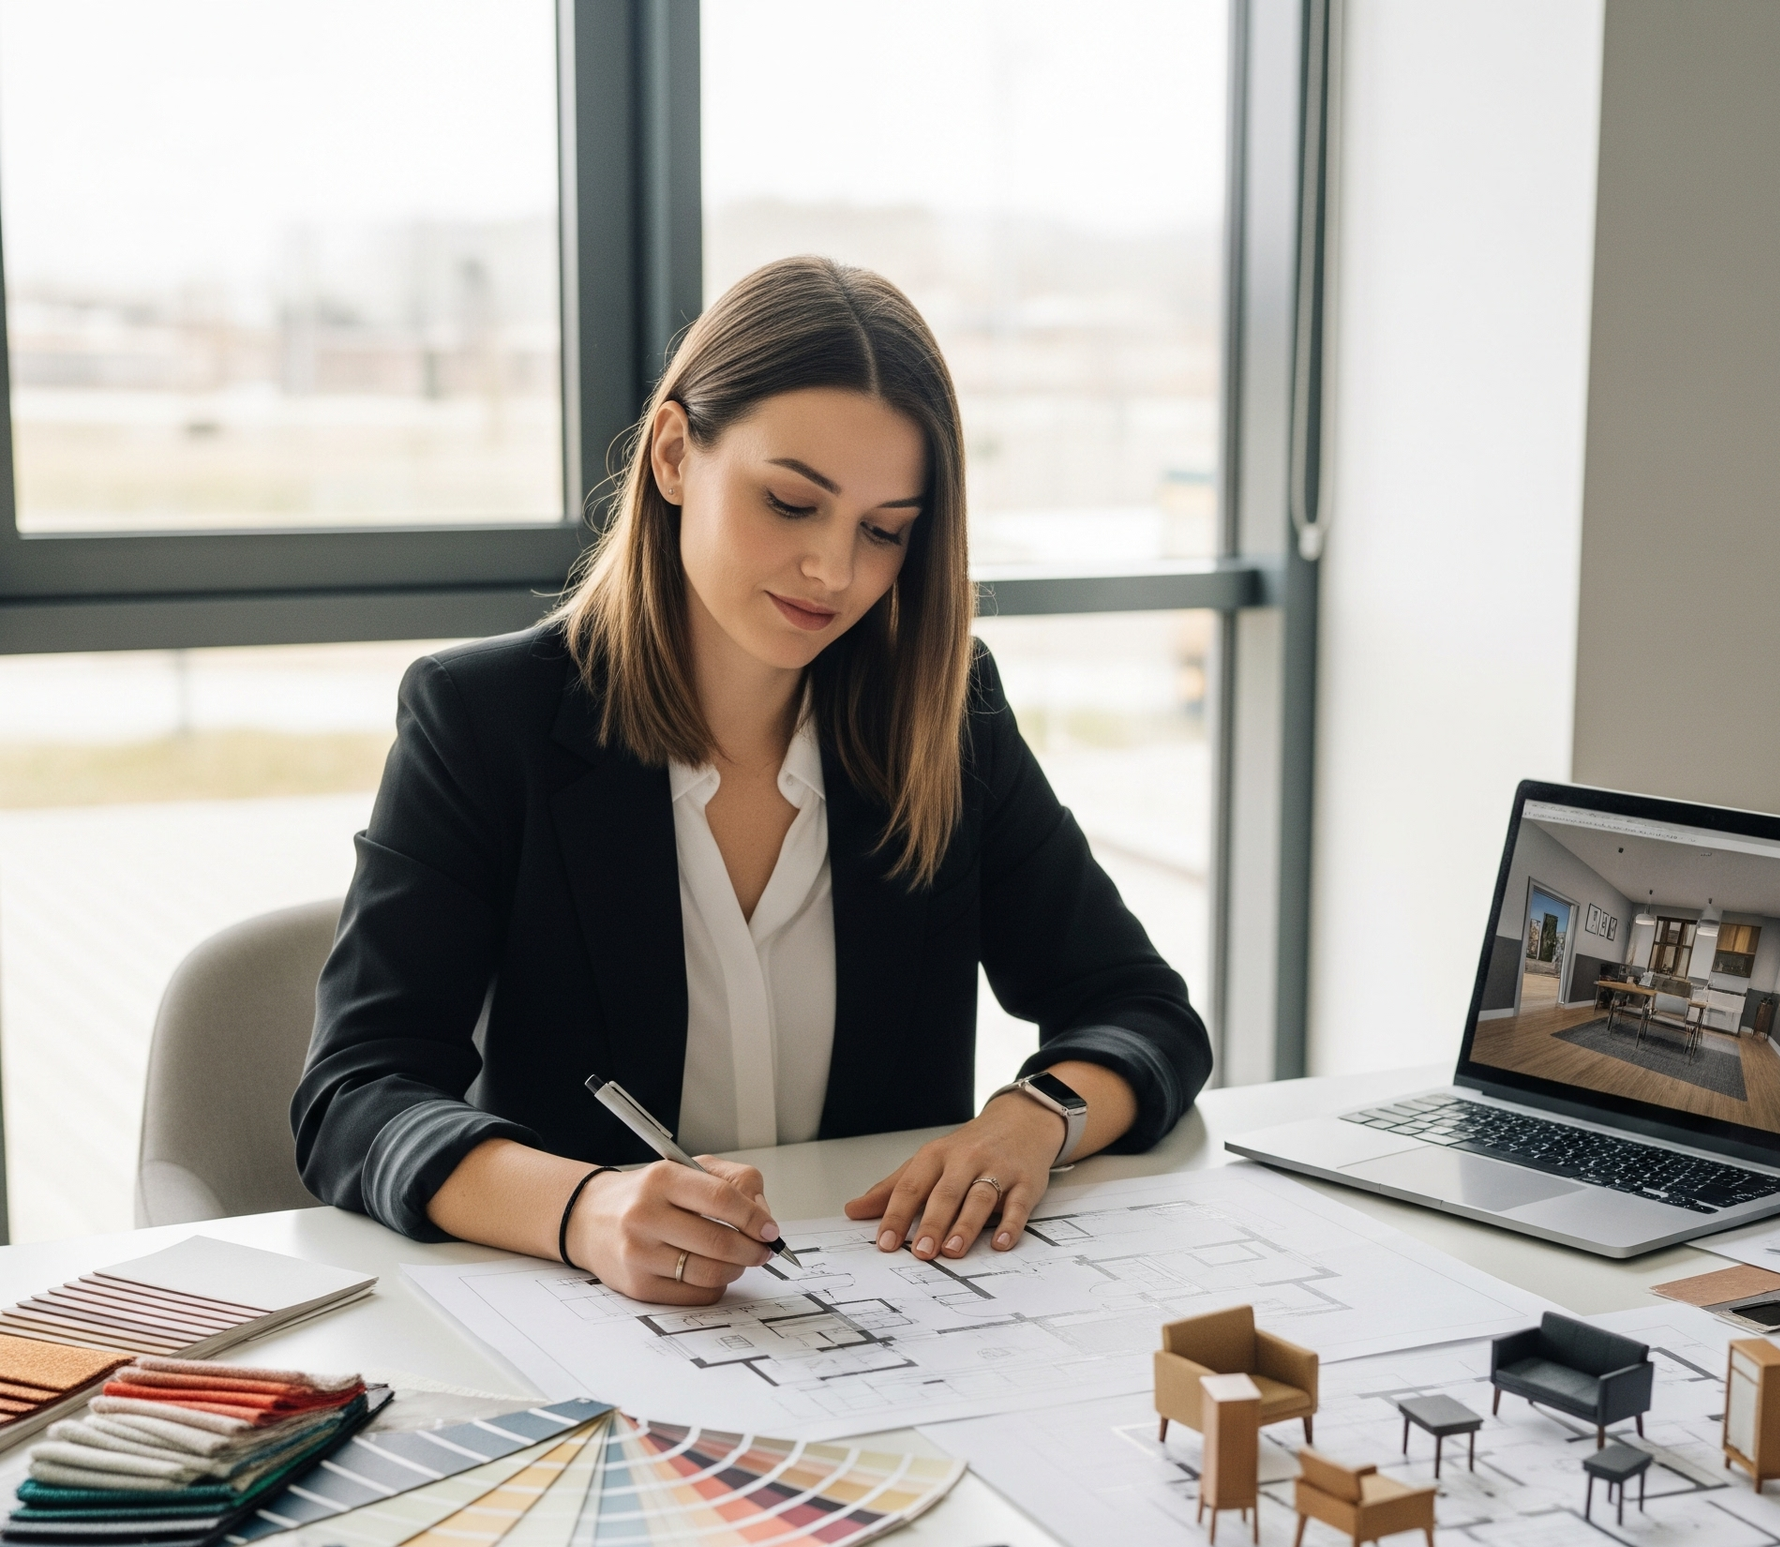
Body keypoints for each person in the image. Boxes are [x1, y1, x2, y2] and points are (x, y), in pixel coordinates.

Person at [294, 256, 1210, 1307]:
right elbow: (355, 1094)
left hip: (885, 1322)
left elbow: (1143, 1013)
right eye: (789, 502)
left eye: (885, 532)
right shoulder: (484, 720)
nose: (834, 570)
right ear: (677, 454)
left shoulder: (947, 716)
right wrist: (584, 1209)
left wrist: (1036, 1119)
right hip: (591, 1325)